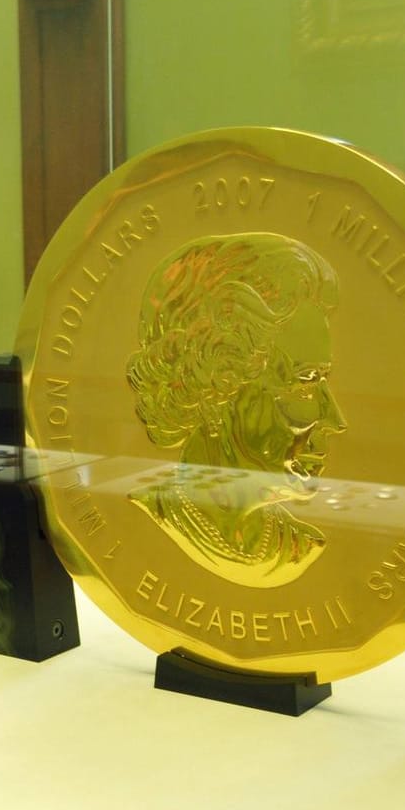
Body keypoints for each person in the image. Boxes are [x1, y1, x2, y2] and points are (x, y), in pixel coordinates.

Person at [124, 233, 348, 588]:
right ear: (216, 392)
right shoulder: (140, 520)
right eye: (305, 381)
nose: (335, 420)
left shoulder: (303, 547)